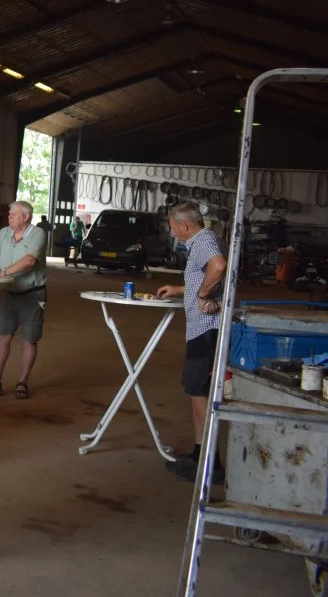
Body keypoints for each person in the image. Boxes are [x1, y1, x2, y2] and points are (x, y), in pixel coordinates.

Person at [156, 202, 227, 484]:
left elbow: (218, 267)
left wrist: (201, 297)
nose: (173, 234)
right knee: (197, 392)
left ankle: (210, 464)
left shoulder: (203, 241)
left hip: (207, 330)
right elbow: (206, 272)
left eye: (173, 228)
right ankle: (202, 456)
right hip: (202, 330)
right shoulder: (204, 241)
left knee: (201, 395)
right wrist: (183, 288)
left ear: (185, 226)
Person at [0, 201, 46, 399]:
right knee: (2, 336)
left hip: (32, 294)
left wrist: (2, 271)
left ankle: (22, 382)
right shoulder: (4, 233)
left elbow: (30, 260)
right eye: (10, 214)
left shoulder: (38, 234)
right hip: (8, 294)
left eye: (13, 214)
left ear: (26, 217)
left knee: (29, 339)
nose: (9, 217)